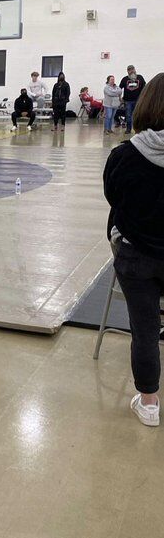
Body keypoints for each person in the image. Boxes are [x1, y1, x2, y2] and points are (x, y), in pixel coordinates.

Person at [103, 74, 164, 427]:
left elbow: (113, 198)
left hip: (135, 257)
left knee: (144, 330)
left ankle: (149, 403)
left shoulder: (124, 156)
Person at [119, 65, 147, 134]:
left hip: (138, 101)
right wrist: (120, 98)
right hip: (128, 101)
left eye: (132, 69)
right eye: (129, 70)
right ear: (127, 71)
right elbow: (119, 89)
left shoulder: (140, 77)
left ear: (135, 69)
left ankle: (137, 129)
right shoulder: (124, 79)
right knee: (128, 116)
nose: (131, 71)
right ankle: (128, 129)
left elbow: (145, 87)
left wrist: (143, 97)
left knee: (137, 116)